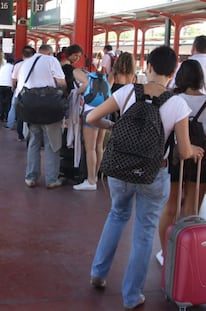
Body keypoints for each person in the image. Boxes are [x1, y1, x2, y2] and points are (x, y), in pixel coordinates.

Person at [87, 46, 204, 310]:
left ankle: (98, 273)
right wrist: (195, 150)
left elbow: (92, 117)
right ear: (173, 72)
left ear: (148, 66)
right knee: (144, 232)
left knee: (117, 215)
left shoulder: (127, 91)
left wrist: (113, 126)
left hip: (120, 169)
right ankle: (131, 297)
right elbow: (184, 151)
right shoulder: (177, 104)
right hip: (153, 174)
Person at [157, 59, 206, 265]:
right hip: (202, 157)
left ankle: (166, 253)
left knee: (171, 205)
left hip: (176, 156)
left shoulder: (172, 99)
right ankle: (185, 255)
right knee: (192, 205)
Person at [18, 44, 67, 188]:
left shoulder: (26, 63)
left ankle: (31, 177)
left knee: (33, 142)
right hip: (49, 107)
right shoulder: (52, 61)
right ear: (50, 52)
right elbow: (61, 83)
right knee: (52, 143)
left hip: (31, 107)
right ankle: (51, 179)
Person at [0, 55, 14, 122]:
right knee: (8, 101)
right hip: (8, 85)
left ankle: (1, 115)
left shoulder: (3, 67)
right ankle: (7, 116)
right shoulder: (13, 67)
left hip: (0, 84)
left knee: (1, 100)